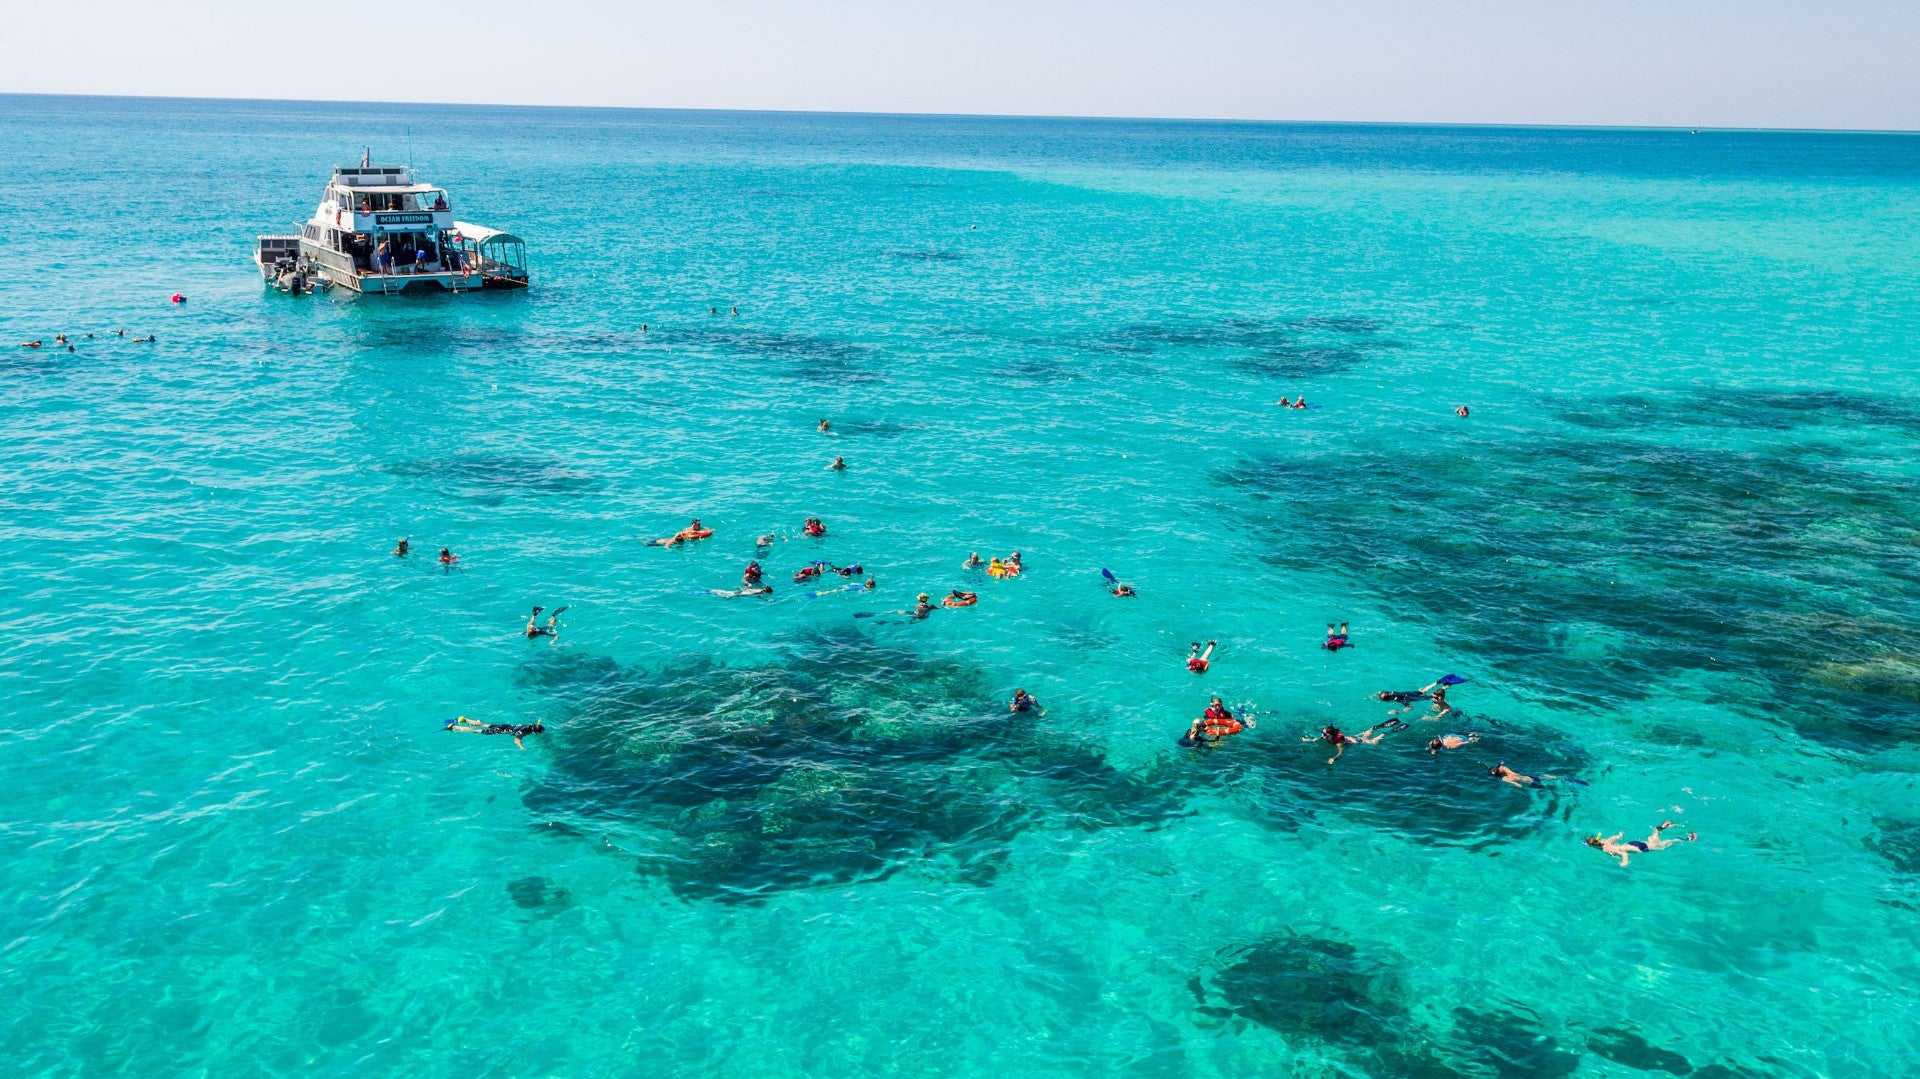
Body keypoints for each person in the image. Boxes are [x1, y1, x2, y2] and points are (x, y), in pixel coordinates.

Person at [1586, 822, 1697, 867]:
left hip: (1638, 848)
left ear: (1593, 846)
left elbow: (1624, 854)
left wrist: (1623, 863)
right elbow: (1616, 837)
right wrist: (1620, 835)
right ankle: (1658, 829)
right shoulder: (1605, 841)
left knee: (1664, 845)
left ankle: (1687, 839)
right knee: (1652, 840)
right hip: (1632, 843)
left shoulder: (1605, 850)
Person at [1310, 719, 1403, 764]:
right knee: (1366, 734)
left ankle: (1387, 732)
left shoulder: (1339, 742)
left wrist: (1334, 758)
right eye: (1322, 733)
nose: (1322, 735)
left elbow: (1341, 752)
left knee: (1375, 742)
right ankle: (1374, 728)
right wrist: (1311, 740)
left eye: (1325, 734)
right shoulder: (1329, 736)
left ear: (1331, 735)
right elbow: (1320, 738)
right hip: (1353, 737)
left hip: (1358, 741)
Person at [445, 716, 545, 751]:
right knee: (474, 730)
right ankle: (453, 727)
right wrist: (521, 747)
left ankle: (464, 719)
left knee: (483, 724)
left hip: (503, 726)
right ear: (534, 732)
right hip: (499, 730)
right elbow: (516, 740)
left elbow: (537, 724)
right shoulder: (525, 731)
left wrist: (539, 721)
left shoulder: (529, 726)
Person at [1184, 697, 1250, 745]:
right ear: (1212, 705)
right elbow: (1203, 726)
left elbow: (1235, 723)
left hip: (1227, 723)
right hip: (1216, 729)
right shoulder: (1207, 716)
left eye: (1219, 705)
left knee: (1242, 721)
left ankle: (1241, 711)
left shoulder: (1226, 714)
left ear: (1221, 705)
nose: (1218, 707)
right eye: (1216, 705)